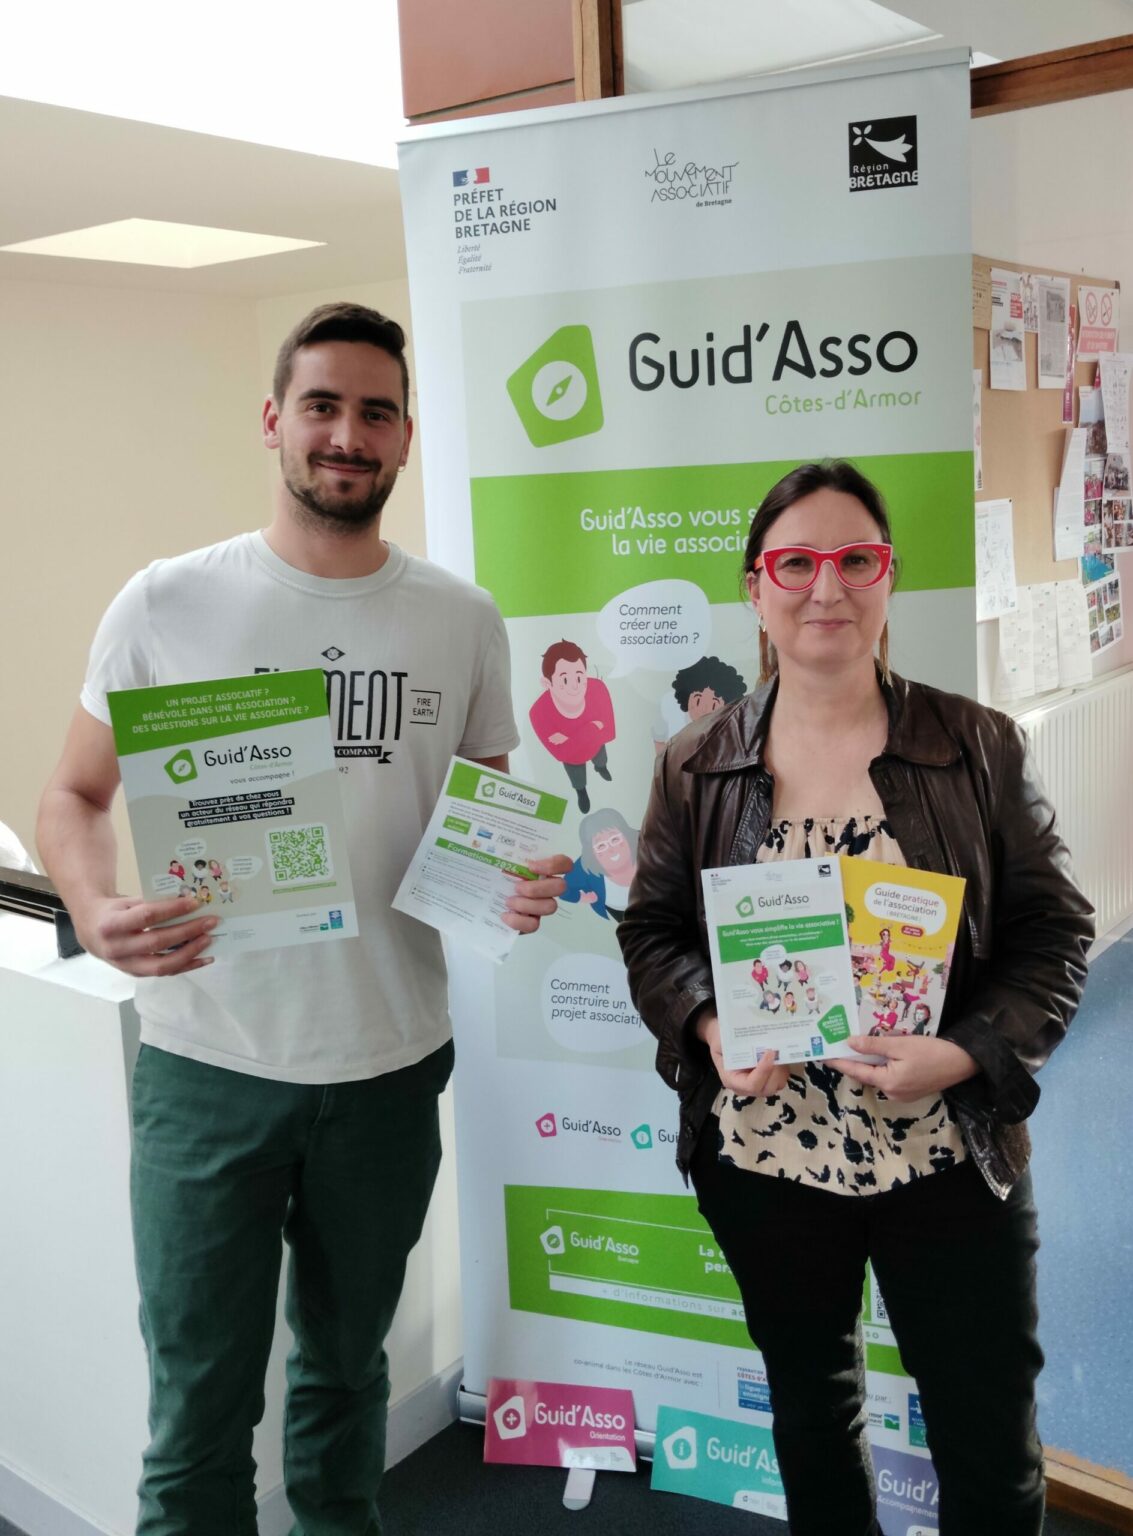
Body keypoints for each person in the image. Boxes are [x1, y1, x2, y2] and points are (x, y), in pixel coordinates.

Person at [37, 301, 568, 1536]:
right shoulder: (167, 603)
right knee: (198, 1414)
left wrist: (516, 879)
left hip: (387, 1067)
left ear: (405, 438)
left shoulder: (459, 619)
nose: (346, 434)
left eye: (375, 413)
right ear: (274, 420)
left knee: (342, 1383)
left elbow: (484, 818)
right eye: (322, 406)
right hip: (208, 1068)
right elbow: (71, 796)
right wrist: (94, 905)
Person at [618, 460, 1093, 1536]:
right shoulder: (693, 764)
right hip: (767, 1160)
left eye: (854, 560)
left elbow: (1056, 933)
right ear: (756, 588)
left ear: (887, 578)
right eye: (795, 563)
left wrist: (964, 1053)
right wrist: (709, 1024)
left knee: (985, 1433)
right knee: (812, 1413)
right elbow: (650, 934)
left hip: (946, 1152)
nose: (824, 587)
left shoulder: (975, 745)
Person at [528, 639, 615, 812]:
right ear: (547, 683)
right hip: (573, 758)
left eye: (580, 677)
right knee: (577, 777)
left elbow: (608, 732)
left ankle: (600, 767)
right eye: (565, 680)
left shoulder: (597, 689)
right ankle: (582, 793)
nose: (575, 686)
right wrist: (592, 727)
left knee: (601, 758)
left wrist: (572, 738)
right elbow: (562, 753)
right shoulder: (539, 712)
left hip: (596, 745)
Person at [560, 809, 639, 921]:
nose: (611, 849)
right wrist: (582, 898)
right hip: (628, 918)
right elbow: (561, 888)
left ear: (627, 836)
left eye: (614, 839)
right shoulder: (585, 868)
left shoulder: (646, 841)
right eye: (601, 846)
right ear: (591, 853)